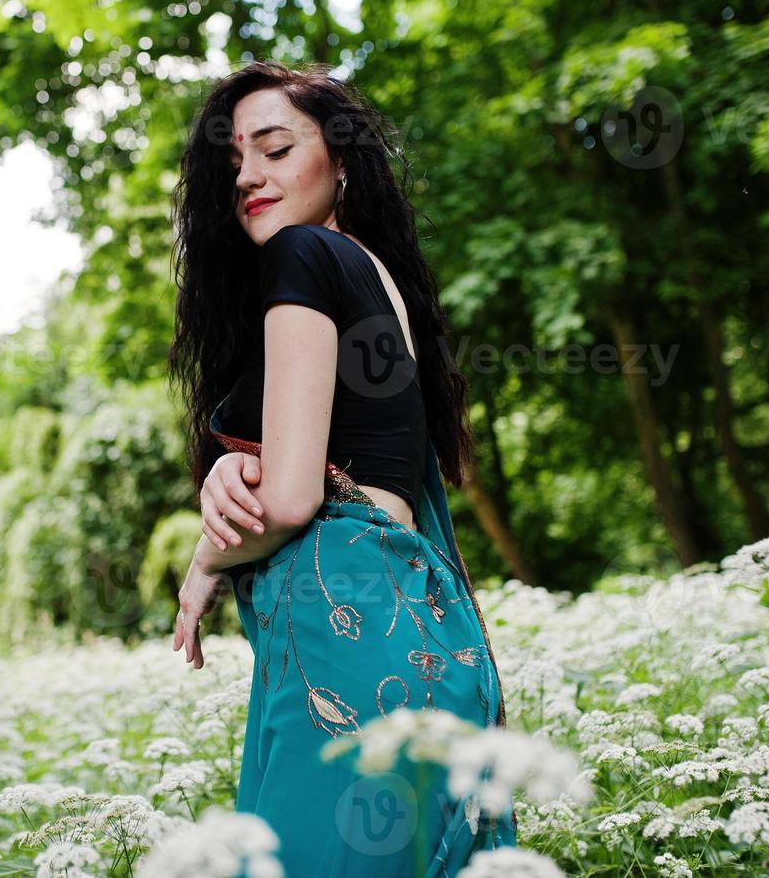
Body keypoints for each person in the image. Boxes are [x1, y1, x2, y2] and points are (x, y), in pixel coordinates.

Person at [165, 60, 518, 876]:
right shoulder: (373, 276)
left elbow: (290, 499)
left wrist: (206, 558)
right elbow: (333, 465)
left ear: (343, 162)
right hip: (418, 647)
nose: (248, 174)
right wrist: (234, 472)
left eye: (276, 148)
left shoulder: (302, 254)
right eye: (232, 164)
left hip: (341, 646)